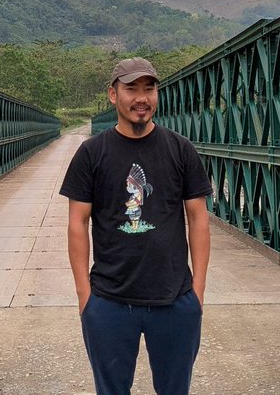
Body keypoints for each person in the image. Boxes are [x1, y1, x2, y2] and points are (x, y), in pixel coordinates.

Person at [60, 57, 212, 395]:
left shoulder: (180, 149)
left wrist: (197, 291)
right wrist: (85, 295)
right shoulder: (91, 153)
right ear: (113, 95)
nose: (141, 98)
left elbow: (198, 218)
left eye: (149, 88)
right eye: (131, 89)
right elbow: (77, 223)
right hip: (110, 300)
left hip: (175, 299)